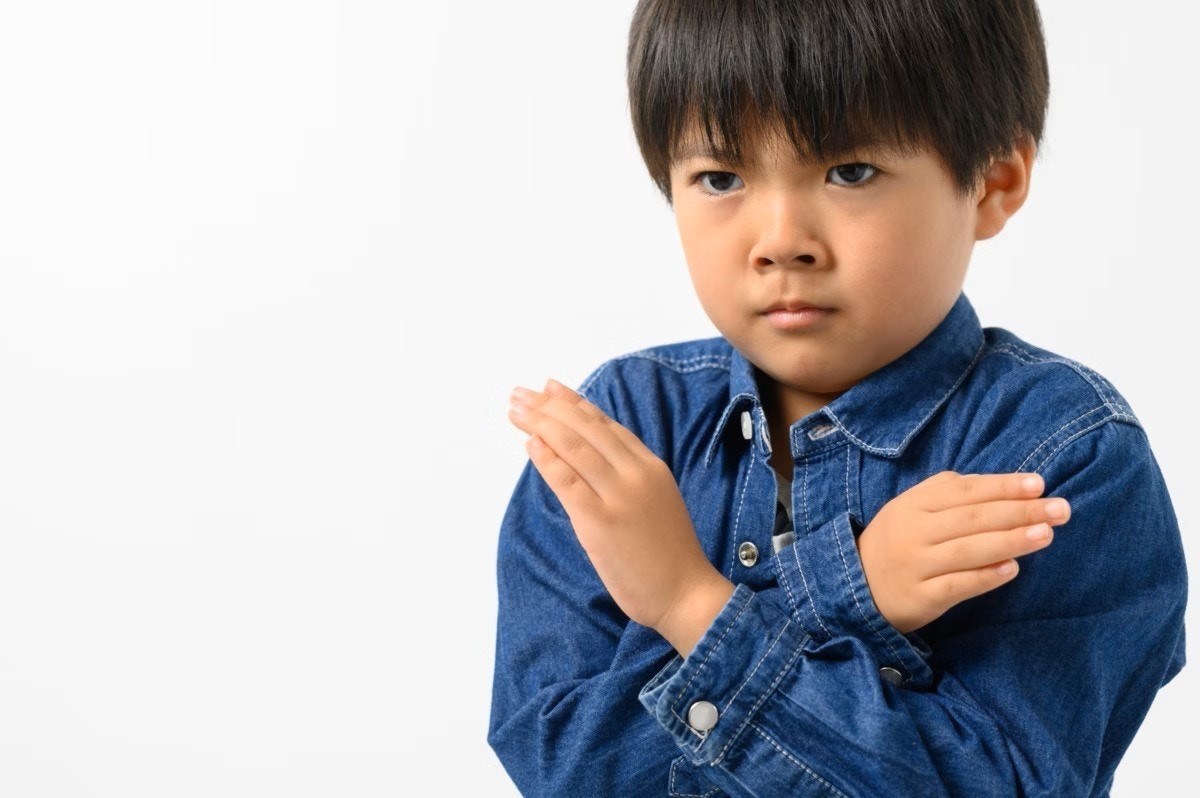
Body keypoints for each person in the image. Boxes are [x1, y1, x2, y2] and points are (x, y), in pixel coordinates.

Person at [488, 0, 1187, 795]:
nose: (781, 241)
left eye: (849, 171)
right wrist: (842, 591)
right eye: (721, 178)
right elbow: (565, 767)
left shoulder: (1060, 455)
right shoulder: (625, 429)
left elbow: (1000, 782)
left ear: (994, 181)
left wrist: (690, 602)